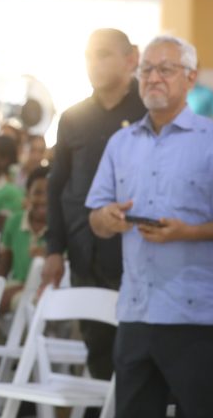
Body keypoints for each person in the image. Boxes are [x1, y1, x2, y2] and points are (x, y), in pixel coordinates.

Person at [86, 35, 213, 417]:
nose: (153, 78)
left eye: (166, 69)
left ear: (191, 77)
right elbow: (95, 218)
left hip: (196, 315)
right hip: (136, 311)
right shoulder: (121, 143)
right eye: (146, 69)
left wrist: (189, 232)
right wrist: (108, 218)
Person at [40, 28, 146, 382]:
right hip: (85, 252)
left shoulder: (149, 113)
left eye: (104, 55)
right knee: (99, 355)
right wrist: (54, 250)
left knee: (139, 360)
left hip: (137, 255)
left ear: (131, 58)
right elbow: (57, 187)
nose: (94, 64)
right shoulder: (73, 117)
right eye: (88, 56)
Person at [0, 166, 49, 315]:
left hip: (47, 290)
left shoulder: (63, 226)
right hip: (16, 284)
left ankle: (25, 340)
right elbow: (3, 268)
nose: (44, 199)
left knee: (24, 307)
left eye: (50, 193)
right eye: (37, 193)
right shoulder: (14, 221)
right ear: (27, 194)